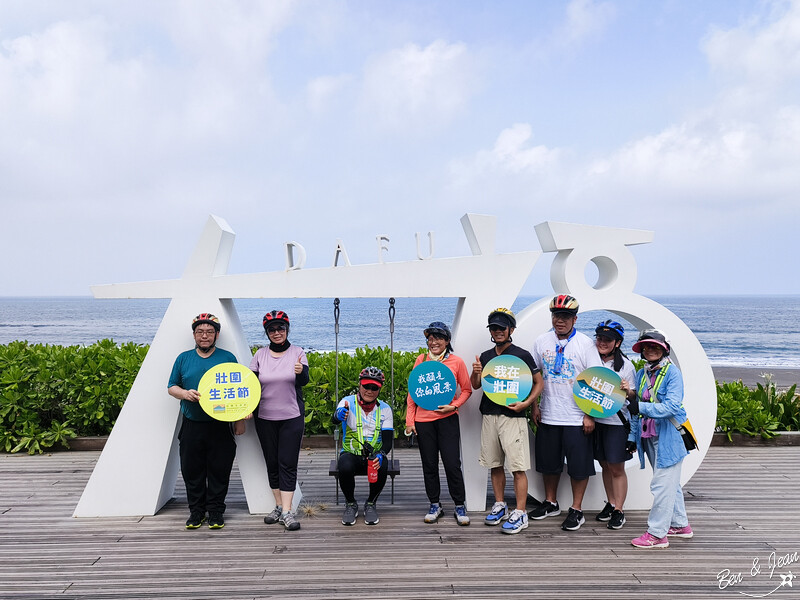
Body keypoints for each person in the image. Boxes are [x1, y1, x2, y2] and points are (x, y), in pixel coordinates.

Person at [529, 295, 602, 532]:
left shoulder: (586, 344)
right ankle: (551, 502)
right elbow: (535, 376)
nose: (559, 321)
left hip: (576, 416)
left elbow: (595, 380)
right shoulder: (541, 341)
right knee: (549, 464)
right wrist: (534, 406)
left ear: (574, 319)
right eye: (556, 316)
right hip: (549, 413)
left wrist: (590, 414)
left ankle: (577, 509)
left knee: (578, 466)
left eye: (565, 317)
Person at [470, 308, 543, 535]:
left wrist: (528, 404)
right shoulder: (485, 356)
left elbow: (538, 383)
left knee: (518, 467)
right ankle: (500, 504)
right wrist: (476, 372)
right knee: (495, 463)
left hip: (513, 416)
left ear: (511, 329)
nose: (498, 331)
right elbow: (476, 385)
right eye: (494, 328)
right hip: (489, 414)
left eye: (502, 327)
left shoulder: (522, 355)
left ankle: (520, 513)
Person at [167, 313, 240, 530]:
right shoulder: (183, 358)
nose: (204, 336)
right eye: (200, 332)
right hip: (192, 423)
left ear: (217, 335)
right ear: (194, 335)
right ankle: (196, 512)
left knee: (220, 469)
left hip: (220, 425)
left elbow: (237, 393)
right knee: (192, 470)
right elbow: (171, 386)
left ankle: (216, 511)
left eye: (209, 332)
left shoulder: (228, 358)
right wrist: (184, 394)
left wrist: (241, 420)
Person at [627, 329, 694, 548]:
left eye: (655, 346)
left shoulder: (672, 373)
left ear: (664, 349)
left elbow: (673, 406)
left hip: (670, 437)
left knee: (662, 485)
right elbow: (636, 410)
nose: (650, 350)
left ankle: (657, 534)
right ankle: (680, 524)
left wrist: (641, 405)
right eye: (646, 347)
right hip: (650, 436)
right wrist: (631, 437)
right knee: (670, 484)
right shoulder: (641, 373)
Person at [406, 321, 472, 526]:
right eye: (430, 338)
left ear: (447, 341)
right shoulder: (421, 359)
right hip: (423, 421)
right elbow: (413, 392)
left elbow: (467, 389)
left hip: (447, 420)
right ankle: (435, 504)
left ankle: (459, 505)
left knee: (452, 464)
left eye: (438, 338)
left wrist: (454, 406)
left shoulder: (456, 362)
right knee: (429, 465)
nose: (433, 342)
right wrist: (410, 421)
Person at [249, 310, 309, 532]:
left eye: (280, 328)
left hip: (291, 417)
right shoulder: (259, 355)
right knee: (272, 463)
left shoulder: (298, 352)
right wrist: (246, 410)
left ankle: (287, 512)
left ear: (287, 330)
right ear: (267, 332)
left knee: (287, 462)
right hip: (265, 417)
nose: (277, 333)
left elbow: (304, 380)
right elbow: (251, 387)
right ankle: (277, 506)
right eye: (272, 329)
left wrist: (301, 371)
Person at [334, 366, 394, 526]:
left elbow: (388, 441)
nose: (370, 390)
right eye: (366, 386)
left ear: (379, 389)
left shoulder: (385, 409)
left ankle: (371, 503)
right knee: (344, 465)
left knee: (382, 464)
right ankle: (350, 503)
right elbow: (335, 418)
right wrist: (338, 415)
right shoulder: (347, 401)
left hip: (373, 454)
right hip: (351, 452)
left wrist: (381, 454)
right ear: (359, 385)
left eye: (375, 388)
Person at [593, 320, 637, 530]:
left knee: (617, 467)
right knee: (604, 464)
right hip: (596, 421)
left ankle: (619, 510)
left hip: (617, 423)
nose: (602, 342)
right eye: (599, 337)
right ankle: (611, 504)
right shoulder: (592, 359)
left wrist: (628, 390)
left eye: (607, 339)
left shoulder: (626, 366)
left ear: (617, 343)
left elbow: (633, 397)